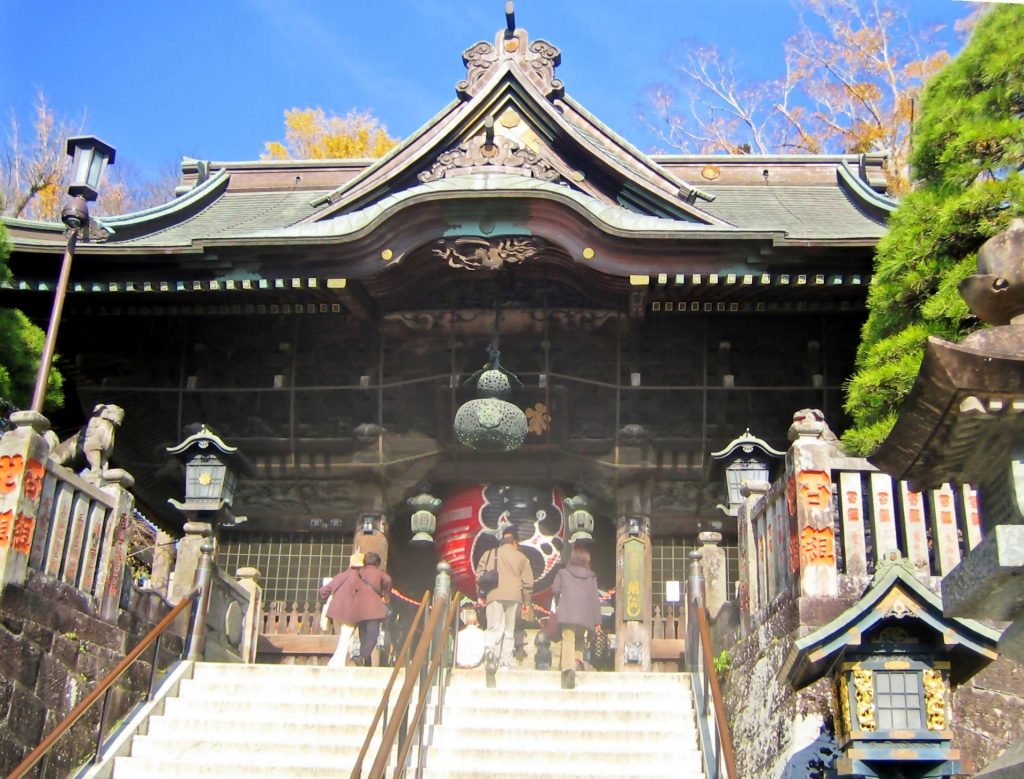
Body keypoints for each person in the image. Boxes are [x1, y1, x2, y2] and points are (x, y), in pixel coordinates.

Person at [475, 526, 534, 672]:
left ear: (502, 542)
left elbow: (479, 575)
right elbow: (528, 582)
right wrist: (527, 602)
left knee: (493, 628)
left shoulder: (489, 554)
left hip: (494, 595)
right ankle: (505, 663)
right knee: (509, 630)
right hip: (514, 597)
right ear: (515, 543)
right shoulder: (522, 558)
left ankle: (490, 652)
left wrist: (480, 595)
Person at [319, 551, 392, 667]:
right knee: (364, 636)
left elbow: (325, 590)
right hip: (362, 611)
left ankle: (363, 662)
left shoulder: (350, 574)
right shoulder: (368, 574)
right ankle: (349, 661)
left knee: (356, 637)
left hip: (347, 611)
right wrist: (386, 596)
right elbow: (387, 580)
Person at [551, 544, 601, 689]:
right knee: (580, 639)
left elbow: (555, 589)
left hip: (567, 612)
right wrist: (597, 621)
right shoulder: (591, 577)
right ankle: (577, 663)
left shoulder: (563, 573)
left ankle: (568, 671)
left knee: (568, 639)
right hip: (585, 615)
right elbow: (594, 599)